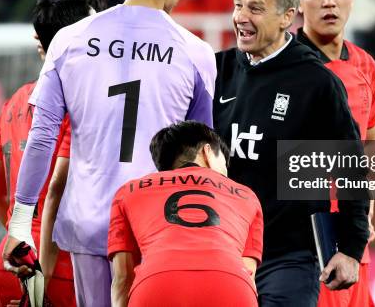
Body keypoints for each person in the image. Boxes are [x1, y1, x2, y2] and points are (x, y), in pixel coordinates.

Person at [3, 0, 216, 307]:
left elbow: (42, 135)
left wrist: (21, 221)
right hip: (158, 226)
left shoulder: (69, 40)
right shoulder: (196, 53)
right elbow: (200, 159)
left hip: (89, 221)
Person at [213, 0, 369, 306]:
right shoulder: (216, 70)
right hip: (221, 248)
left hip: (287, 254)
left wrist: (351, 249)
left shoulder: (315, 82)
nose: (241, 17)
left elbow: (350, 168)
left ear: (287, 17)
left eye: (256, 8)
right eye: (238, 5)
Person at [0, 0, 104, 307]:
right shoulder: (86, 104)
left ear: (41, 42)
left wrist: (23, 234)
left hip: (10, 260)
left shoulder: (14, 102)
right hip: (65, 266)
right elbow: (59, 190)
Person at [294, 0, 375, 307]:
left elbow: (371, 144)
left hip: (352, 240)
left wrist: (366, 210)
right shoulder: (283, 68)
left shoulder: (366, 66)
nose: (329, 1)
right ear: (298, 0)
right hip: (300, 244)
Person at [108, 120, 263, 307]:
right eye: (224, 162)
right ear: (207, 152)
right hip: (232, 287)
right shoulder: (247, 196)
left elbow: (123, 278)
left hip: (155, 286)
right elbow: (248, 272)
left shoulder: (129, 190)